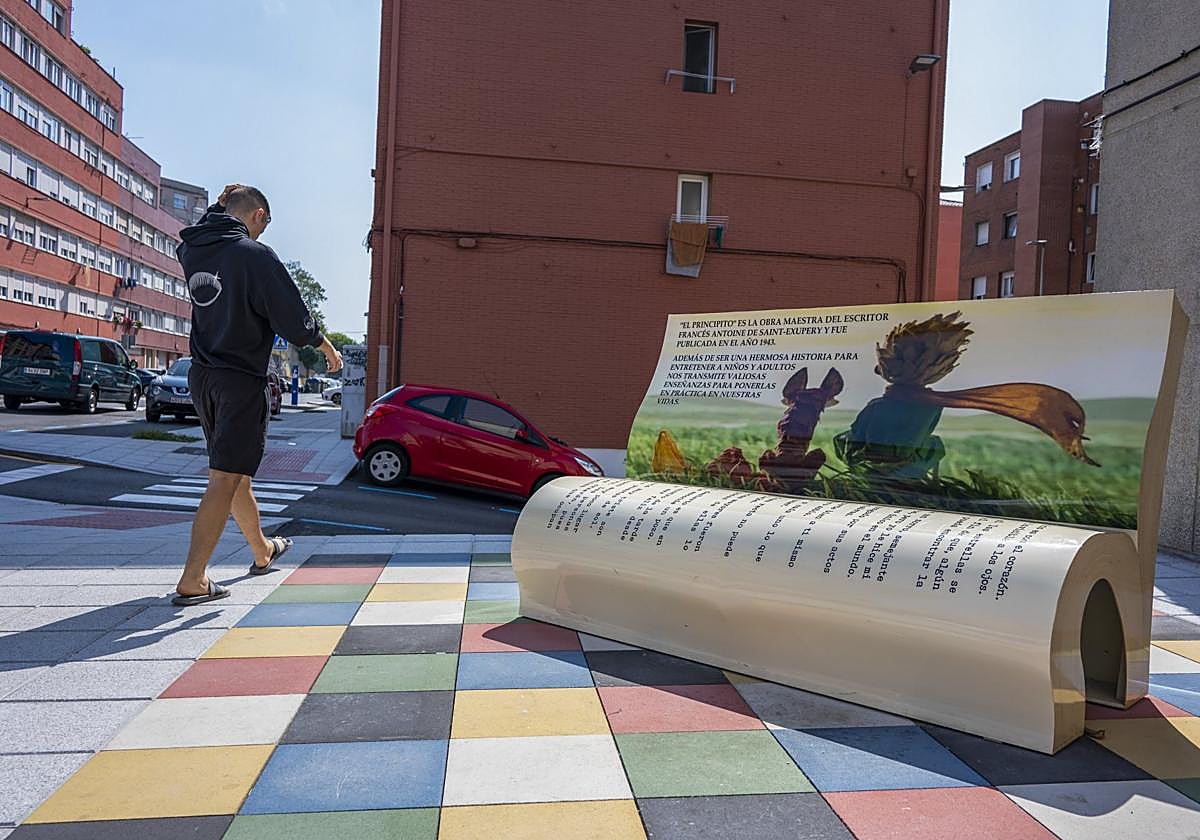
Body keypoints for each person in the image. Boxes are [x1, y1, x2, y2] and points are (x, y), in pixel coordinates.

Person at [172, 184, 341, 606]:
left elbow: (205, 228)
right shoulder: (254, 255)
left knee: (236, 474)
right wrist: (325, 346)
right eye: (262, 225)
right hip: (239, 380)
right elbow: (292, 314)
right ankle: (193, 579)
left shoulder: (192, 251)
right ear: (259, 215)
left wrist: (219, 205)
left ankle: (262, 550)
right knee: (225, 478)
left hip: (202, 377)